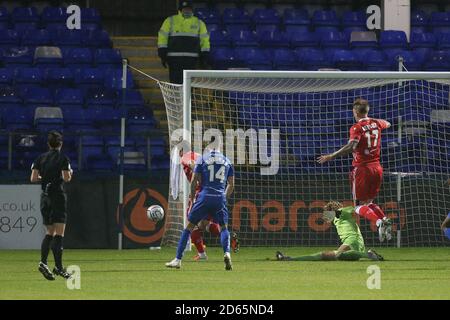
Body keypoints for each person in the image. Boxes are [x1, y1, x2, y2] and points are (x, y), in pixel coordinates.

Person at [317, 98, 393, 242]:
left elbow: (351, 146)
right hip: (377, 167)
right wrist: (370, 120)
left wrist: (331, 156)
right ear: (367, 110)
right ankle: (383, 219)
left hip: (363, 169)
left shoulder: (356, 128)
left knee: (358, 206)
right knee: (369, 202)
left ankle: (378, 222)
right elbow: (388, 123)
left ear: (355, 111)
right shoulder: (376, 123)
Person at [166, 140, 234, 270]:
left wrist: (193, 195)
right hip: (219, 196)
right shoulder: (227, 160)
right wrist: (224, 198)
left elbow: (194, 179)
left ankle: (178, 260)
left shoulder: (197, 158)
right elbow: (231, 184)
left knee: (189, 227)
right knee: (222, 227)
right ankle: (226, 253)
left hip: (203, 195)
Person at [275, 201, 384, 262]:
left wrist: (375, 217)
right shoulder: (336, 218)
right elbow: (327, 218)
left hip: (352, 240)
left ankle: (368, 255)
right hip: (355, 243)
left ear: (332, 211)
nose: (326, 215)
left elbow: (355, 209)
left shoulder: (341, 212)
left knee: (334, 255)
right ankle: (290, 259)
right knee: (329, 256)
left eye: (327, 212)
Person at [180, 150, 239, 261]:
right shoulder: (206, 158)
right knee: (205, 225)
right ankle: (226, 243)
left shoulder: (186, 157)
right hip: (214, 195)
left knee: (191, 226)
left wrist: (195, 168)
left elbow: (192, 164)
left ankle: (200, 254)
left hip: (201, 195)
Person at [31, 131, 73, 280]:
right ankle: (59, 268)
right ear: (60, 144)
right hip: (57, 196)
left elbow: (33, 178)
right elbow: (67, 178)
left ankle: (43, 262)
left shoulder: (40, 158)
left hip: (45, 197)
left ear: (48, 144)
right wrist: (70, 173)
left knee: (49, 233)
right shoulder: (63, 158)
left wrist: (46, 177)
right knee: (59, 234)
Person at [157, 0, 210, 84]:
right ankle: (176, 98)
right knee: (175, 84)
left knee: (189, 84)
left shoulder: (199, 23)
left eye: (189, 9)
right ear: (180, 9)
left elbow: (205, 40)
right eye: (185, 9)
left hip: (191, 60)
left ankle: (187, 97)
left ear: (192, 10)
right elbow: (162, 37)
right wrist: (162, 52)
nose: (187, 11)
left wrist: (205, 54)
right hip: (174, 59)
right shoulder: (170, 20)